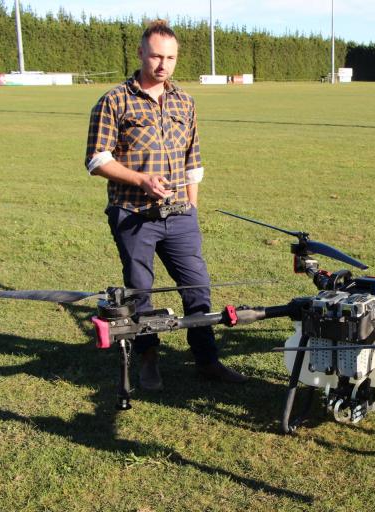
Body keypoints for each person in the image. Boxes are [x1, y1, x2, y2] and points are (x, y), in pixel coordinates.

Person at [85, 20, 247, 390]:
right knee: (141, 290)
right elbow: (96, 160)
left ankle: (206, 361)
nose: (163, 65)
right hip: (134, 215)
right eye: (156, 55)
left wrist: (191, 207)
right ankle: (148, 359)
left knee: (198, 288)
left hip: (180, 217)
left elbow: (194, 160)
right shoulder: (114, 101)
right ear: (141, 53)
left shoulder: (185, 101)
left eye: (170, 57)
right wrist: (141, 180)